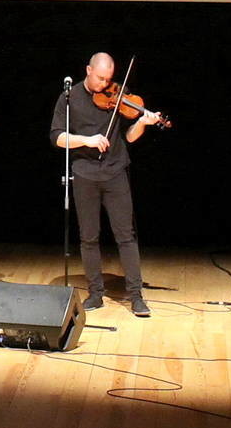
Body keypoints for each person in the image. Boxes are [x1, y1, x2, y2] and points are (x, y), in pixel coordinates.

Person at [50, 52, 165, 317]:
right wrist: (87, 140)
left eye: (109, 79)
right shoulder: (69, 97)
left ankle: (136, 296)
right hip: (84, 172)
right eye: (100, 78)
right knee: (89, 237)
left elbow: (130, 137)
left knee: (126, 235)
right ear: (88, 70)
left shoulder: (118, 96)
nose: (105, 84)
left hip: (115, 171)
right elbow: (57, 137)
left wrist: (142, 122)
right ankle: (95, 293)